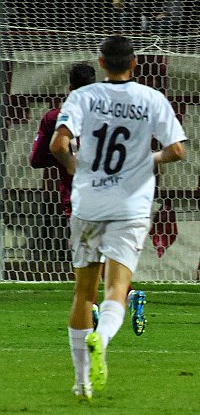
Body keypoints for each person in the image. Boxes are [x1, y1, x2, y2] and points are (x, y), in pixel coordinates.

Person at [50, 35, 187, 399]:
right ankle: (104, 337)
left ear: (101, 61)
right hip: (129, 205)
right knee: (116, 288)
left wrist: (77, 170)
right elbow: (176, 150)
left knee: (83, 293)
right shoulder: (150, 98)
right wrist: (148, 160)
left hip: (89, 202)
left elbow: (57, 145)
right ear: (135, 64)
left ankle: (81, 384)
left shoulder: (82, 97)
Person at [30, 62, 149, 337]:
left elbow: (37, 160)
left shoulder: (55, 118)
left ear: (70, 88)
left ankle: (93, 310)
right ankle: (129, 297)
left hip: (79, 200)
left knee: (86, 262)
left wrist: (65, 160)